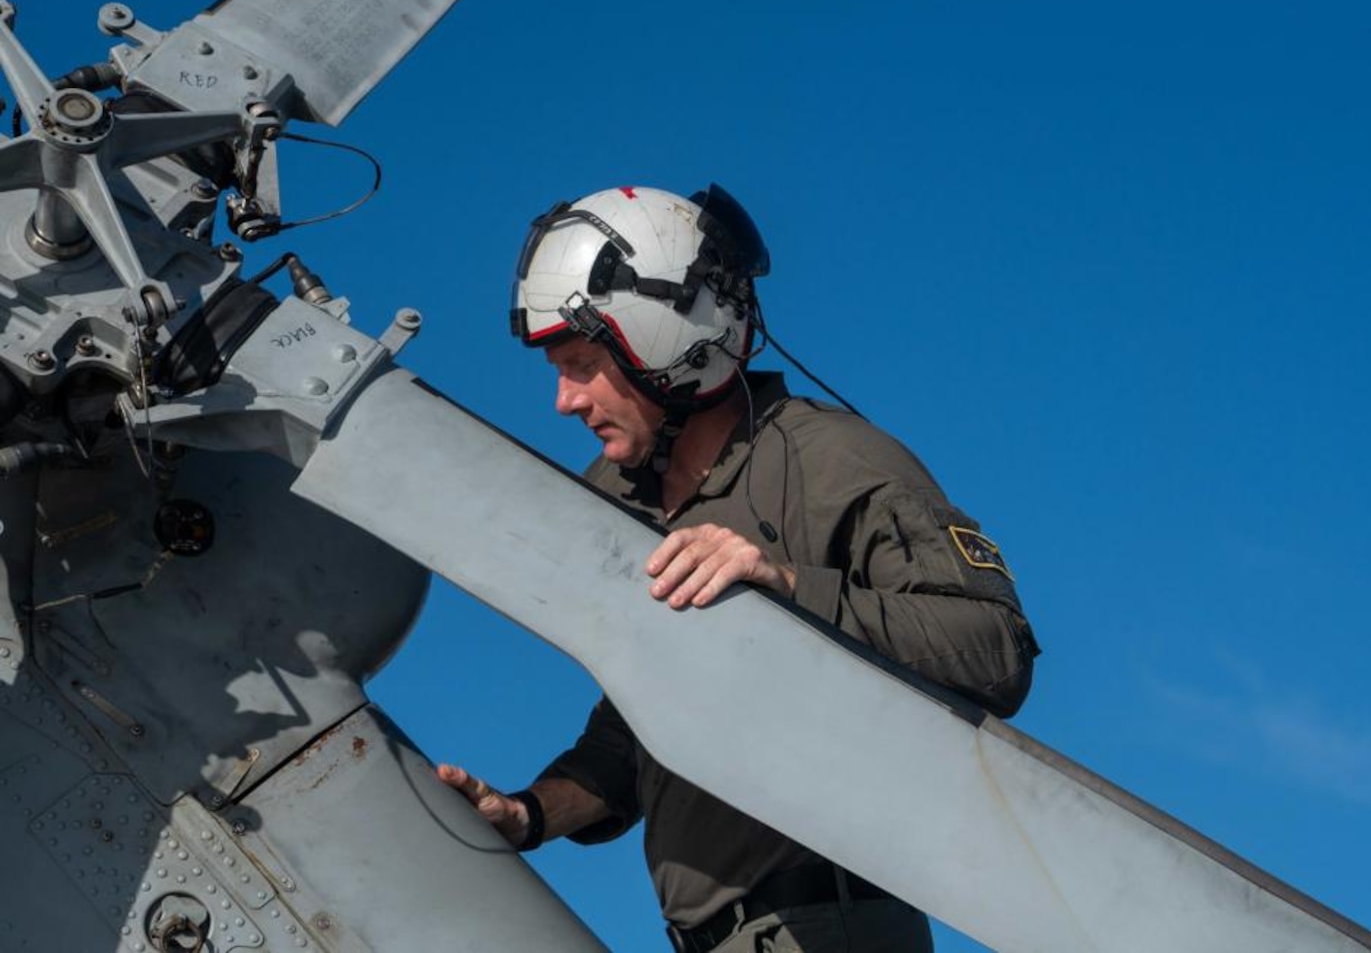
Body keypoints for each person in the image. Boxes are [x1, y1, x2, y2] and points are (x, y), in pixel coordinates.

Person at [438, 184, 1040, 953]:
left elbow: (995, 647)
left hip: (830, 925)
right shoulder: (620, 503)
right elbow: (637, 728)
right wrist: (527, 815)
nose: (563, 401)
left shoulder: (836, 461)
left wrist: (786, 589)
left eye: (583, 364)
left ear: (663, 339)